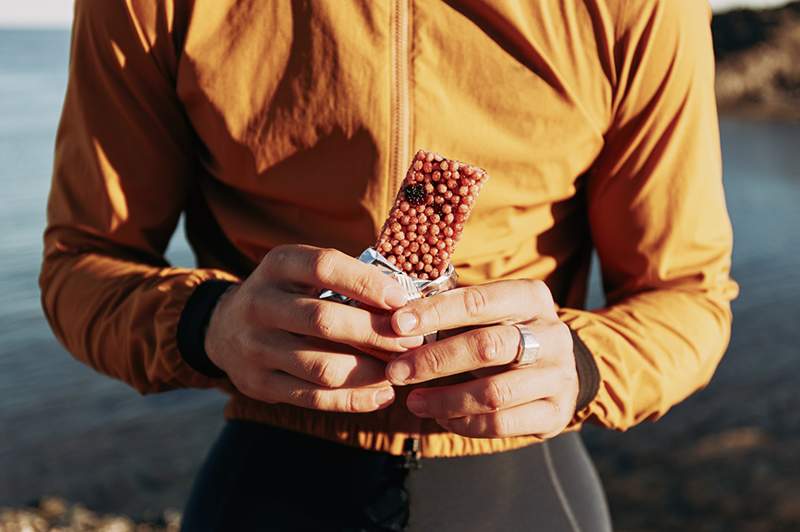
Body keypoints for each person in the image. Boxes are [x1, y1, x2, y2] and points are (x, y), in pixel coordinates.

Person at [40, 0, 738, 530]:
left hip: (526, 479)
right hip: (269, 479)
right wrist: (209, 324)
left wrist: (580, 363)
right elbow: (80, 263)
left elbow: (686, 296)